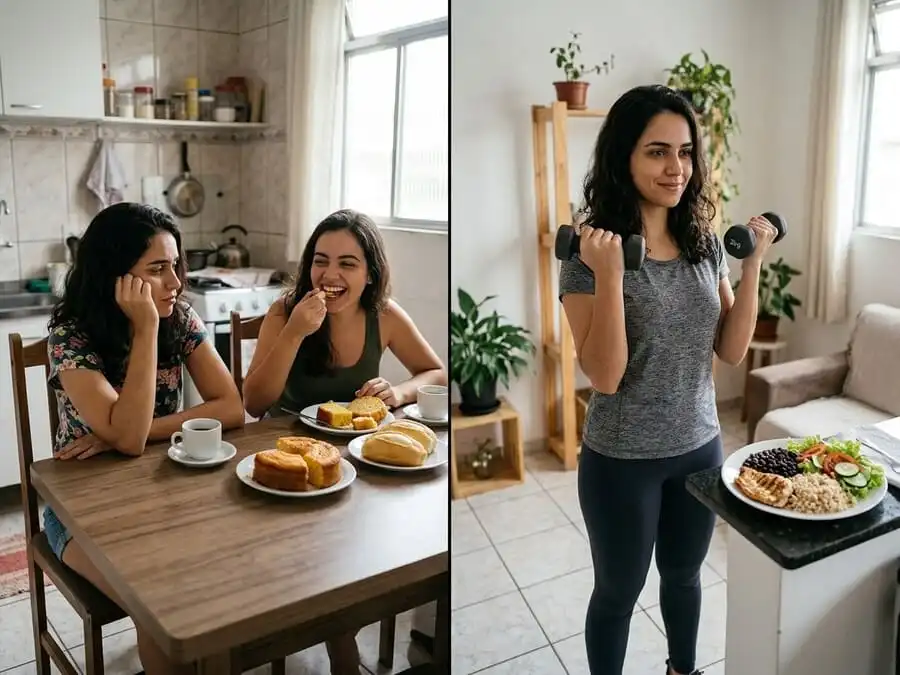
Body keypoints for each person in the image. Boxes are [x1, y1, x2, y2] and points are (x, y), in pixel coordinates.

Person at [558, 84, 776, 675]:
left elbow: (731, 349)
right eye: (657, 151)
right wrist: (609, 277)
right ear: (623, 157)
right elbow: (605, 377)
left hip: (699, 445)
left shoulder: (702, 242)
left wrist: (752, 265)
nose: (676, 167)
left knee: (683, 576)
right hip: (622, 459)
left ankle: (683, 669)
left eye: (684, 152)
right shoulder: (588, 254)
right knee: (617, 593)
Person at [43, 203, 246, 675]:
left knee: (221, 590)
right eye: (157, 269)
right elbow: (130, 441)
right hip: (79, 512)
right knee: (161, 616)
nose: (175, 282)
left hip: (163, 495)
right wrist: (146, 328)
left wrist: (122, 433)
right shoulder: (70, 338)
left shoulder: (181, 318)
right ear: (115, 277)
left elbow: (231, 407)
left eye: (175, 265)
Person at [241, 208, 446, 673]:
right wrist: (295, 331)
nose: (330, 275)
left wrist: (399, 392)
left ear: (369, 274)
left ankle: (346, 633)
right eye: (321, 260)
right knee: (319, 555)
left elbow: (435, 371)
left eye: (347, 264)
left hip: (357, 462)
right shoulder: (285, 311)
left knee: (382, 545)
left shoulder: (384, 314)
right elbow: (254, 402)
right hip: (289, 463)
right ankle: (338, 645)